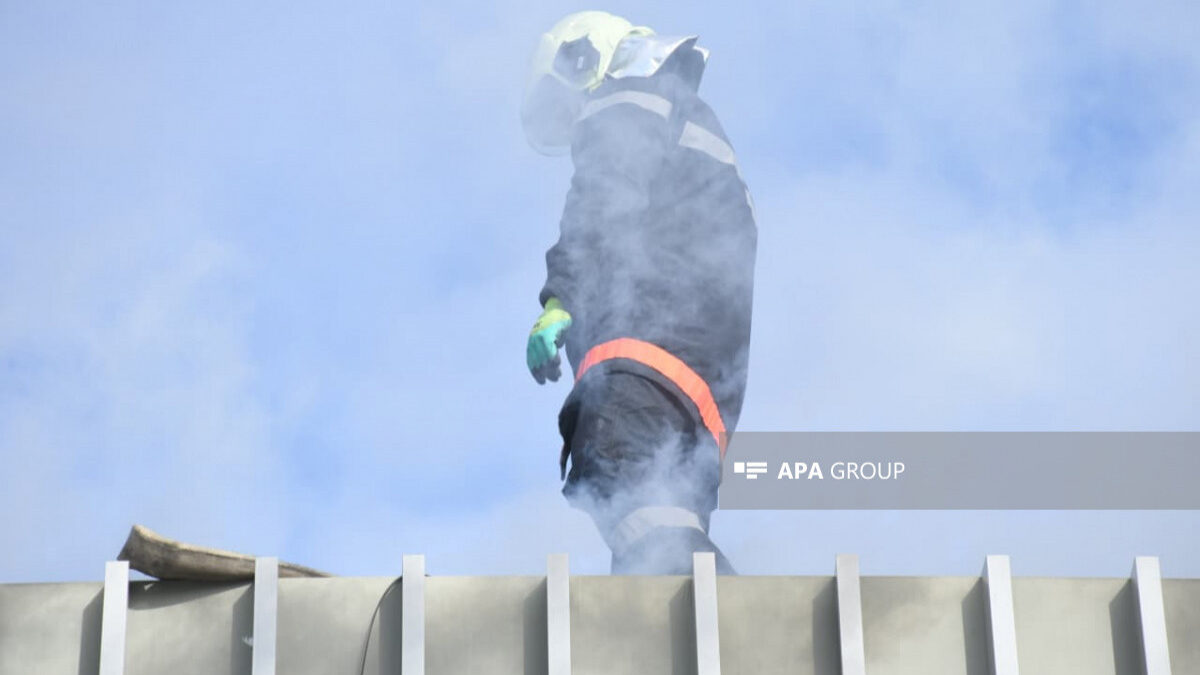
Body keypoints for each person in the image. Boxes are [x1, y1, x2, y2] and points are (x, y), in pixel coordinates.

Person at [521, 11, 756, 574]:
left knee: (623, 478)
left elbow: (600, 204)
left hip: (643, 360)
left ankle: (741, 635)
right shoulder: (690, 120)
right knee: (660, 529)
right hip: (700, 391)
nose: (574, 119)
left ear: (584, 60)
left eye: (566, 100)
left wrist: (560, 300)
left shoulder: (627, 99)